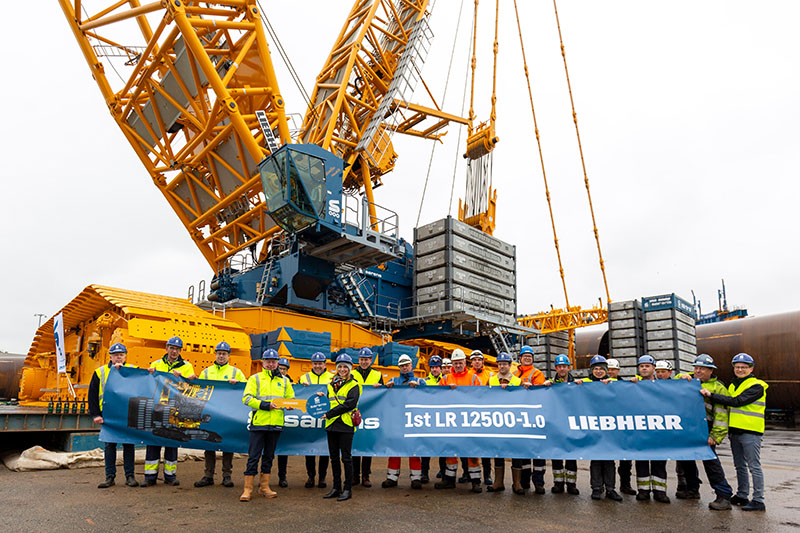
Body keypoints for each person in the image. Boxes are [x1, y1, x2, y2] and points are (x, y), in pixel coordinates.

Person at [701, 352, 767, 511]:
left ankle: (758, 500)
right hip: (735, 431)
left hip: (751, 431)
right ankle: (742, 495)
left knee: (754, 466)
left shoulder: (757, 386)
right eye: (737, 367)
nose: (740, 370)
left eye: (744, 367)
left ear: (751, 369)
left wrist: (711, 395)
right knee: (739, 465)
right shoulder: (732, 386)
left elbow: (737, 402)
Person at [675, 354, 734, 510]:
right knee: (687, 458)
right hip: (688, 427)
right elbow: (670, 384)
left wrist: (716, 435)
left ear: (711, 370)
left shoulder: (718, 388)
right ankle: (692, 489)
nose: (698, 371)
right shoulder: (688, 381)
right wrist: (681, 376)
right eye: (696, 368)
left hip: (706, 428)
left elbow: (722, 415)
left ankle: (724, 495)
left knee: (710, 461)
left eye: (702, 368)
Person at [240, 348, 294, 501]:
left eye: (273, 362)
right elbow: (246, 399)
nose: (271, 364)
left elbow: (290, 398)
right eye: (268, 361)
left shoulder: (284, 381)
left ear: (277, 363)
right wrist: (265, 405)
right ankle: (247, 489)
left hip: (275, 423)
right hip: (259, 423)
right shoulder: (255, 378)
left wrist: (290, 404)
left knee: (269, 456)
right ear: (263, 362)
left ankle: (264, 487)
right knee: (253, 456)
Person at [143, 336, 196, 487]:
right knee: (153, 442)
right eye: (172, 348)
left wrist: (186, 378)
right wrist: (149, 373)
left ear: (180, 351)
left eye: (177, 349)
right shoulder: (156, 364)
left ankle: (170, 476)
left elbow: (190, 387)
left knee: (171, 443)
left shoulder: (187, 366)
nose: (174, 351)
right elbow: (149, 384)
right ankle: (150, 477)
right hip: (157, 408)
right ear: (166, 348)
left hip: (175, 409)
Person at [194, 341, 246, 489]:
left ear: (229, 356)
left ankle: (226, 476)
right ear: (215, 354)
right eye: (219, 353)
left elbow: (246, 389)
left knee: (227, 444)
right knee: (209, 443)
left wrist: (238, 383)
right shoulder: (206, 372)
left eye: (224, 354)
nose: (221, 356)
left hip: (228, 414)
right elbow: (200, 391)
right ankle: (208, 475)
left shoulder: (236, 373)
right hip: (210, 413)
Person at [88, 342, 138, 488]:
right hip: (108, 416)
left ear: (125, 356)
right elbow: (92, 395)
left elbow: (143, 387)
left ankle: (130, 476)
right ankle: (109, 477)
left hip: (126, 415)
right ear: (110, 357)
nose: (118, 357)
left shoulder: (134, 370)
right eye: (115, 355)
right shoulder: (100, 372)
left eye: (121, 355)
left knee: (129, 445)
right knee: (110, 446)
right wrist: (95, 415)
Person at [436, 349, 483, 492]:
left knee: (471, 452)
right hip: (451, 421)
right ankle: (449, 480)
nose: (458, 365)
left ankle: (476, 481)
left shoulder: (474, 379)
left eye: (460, 363)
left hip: (469, 421)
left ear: (465, 362)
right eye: (455, 363)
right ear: (452, 364)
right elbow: (437, 398)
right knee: (450, 451)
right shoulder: (445, 379)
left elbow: (481, 397)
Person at [578, 355, 622, 502]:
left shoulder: (614, 382)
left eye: (601, 369)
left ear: (606, 370)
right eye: (595, 369)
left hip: (609, 428)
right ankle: (596, 488)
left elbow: (627, 389)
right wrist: (575, 385)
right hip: (593, 426)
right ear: (591, 370)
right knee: (596, 459)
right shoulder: (585, 382)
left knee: (609, 460)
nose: (598, 371)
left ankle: (610, 489)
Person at [383, 354, 427, 489]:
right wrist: (385, 388)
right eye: (402, 366)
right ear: (399, 367)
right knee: (394, 449)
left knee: (414, 450)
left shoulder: (420, 381)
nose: (404, 368)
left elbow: (428, 396)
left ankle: (416, 478)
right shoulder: (393, 381)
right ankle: (392, 477)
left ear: (411, 366)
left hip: (413, 421)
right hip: (397, 421)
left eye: (406, 365)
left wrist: (420, 388)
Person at [321, 354, 361, 502]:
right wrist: (321, 397)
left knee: (346, 458)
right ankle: (336, 487)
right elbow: (328, 401)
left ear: (350, 368)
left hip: (345, 425)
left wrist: (329, 414)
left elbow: (349, 405)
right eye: (340, 367)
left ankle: (347, 489)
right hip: (332, 425)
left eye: (345, 367)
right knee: (334, 458)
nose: (342, 369)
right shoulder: (330, 384)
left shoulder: (354, 385)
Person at [633, 354, 670, 503]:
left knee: (659, 461)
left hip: (658, 430)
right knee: (641, 461)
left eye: (647, 366)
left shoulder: (663, 385)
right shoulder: (634, 384)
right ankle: (643, 491)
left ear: (653, 368)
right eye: (641, 366)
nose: (644, 368)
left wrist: (685, 377)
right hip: (640, 430)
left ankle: (660, 492)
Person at [543, 354, 579, 495]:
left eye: (564, 366)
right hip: (556, 424)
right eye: (559, 366)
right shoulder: (551, 384)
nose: (562, 369)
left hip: (571, 424)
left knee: (571, 455)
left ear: (568, 368)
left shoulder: (576, 384)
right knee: (557, 454)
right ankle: (558, 483)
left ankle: (571, 484)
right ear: (556, 368)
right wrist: (545, 387)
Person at [513, 346, 547, 494]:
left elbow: (539, 392)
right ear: (520, 358)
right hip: (520, 418)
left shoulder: (537, 373)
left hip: (534, 417)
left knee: (538, 452)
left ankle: (539, 483)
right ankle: (524, 481)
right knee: (524, 452)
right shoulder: (514, 374)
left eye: (529, 356)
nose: (527, 358)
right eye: (525, 356)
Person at [486, 352, 521, 493]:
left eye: (504, 364)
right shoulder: (491, 380)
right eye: (500, 364)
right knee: (498, 452)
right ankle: (498, 482)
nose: (502, 366)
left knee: (516, 452)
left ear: (510, 365)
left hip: (514, 422)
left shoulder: (518, 381)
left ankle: (517, 483)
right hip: (497, 422)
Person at [351, 347, 383, 487]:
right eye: (362, 359)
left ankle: (366, 476)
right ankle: (355, 476)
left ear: (371, 360)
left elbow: (382, 394)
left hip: (371, 412)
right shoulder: (352, 373)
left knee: (367, 445)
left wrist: (380, 387)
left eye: (367, 359)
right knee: (355, 444)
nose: (364, 362)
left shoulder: (377, 374)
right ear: (359, 360)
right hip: (354, 411)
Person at [300, 351, 332, 489]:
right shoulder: (304, 378)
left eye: (320, 363)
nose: (318, 366)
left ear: (325, 364)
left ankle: (322, 478)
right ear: (311, 364)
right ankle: (311, 476)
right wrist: (302, 387)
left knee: (324, 449)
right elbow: (299, 395)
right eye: (315, 363)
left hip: (326, 417)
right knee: (309, 450)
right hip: (310, 418)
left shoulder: (332, 378)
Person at [606, 358, 636, 495]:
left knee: (625, 460)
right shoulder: (597, 384)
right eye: (608, 369)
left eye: (613, 369)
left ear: (618, 371)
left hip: (622, 427)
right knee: (607, 460)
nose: (610, 372)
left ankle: (625, 485)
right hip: (607, 427)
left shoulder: (625, 385)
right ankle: (608, 487)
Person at [468, 350, 493, 485]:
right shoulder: (468, 375)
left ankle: (487, 475)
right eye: (474, 360)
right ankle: (467, 474)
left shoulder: (490, 375)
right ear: (471, 362)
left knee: (485, 447)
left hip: (484, 414)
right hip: (470, 414)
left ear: (483, 362)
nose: (477, 362)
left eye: (479, 360)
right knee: (469, 447)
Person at [421, 355, 446, 483]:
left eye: (437, 367)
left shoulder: (446, 381)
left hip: (442, 418)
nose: (435, 369)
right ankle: (424, 473)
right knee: (426, 448)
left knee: (443, 448)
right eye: (432, 367)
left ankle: (443, 471)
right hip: (428, 418)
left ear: (441, 368)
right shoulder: (424, 382)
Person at [276, 357, 294, 488]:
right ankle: (264, 478)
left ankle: (282, 477)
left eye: (284, 369)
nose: (281, 371)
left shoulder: (289, 383)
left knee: (282, 451)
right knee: (268, 452)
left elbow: (292, 398)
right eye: (280, 368)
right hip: (270, 421)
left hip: (285, 421)